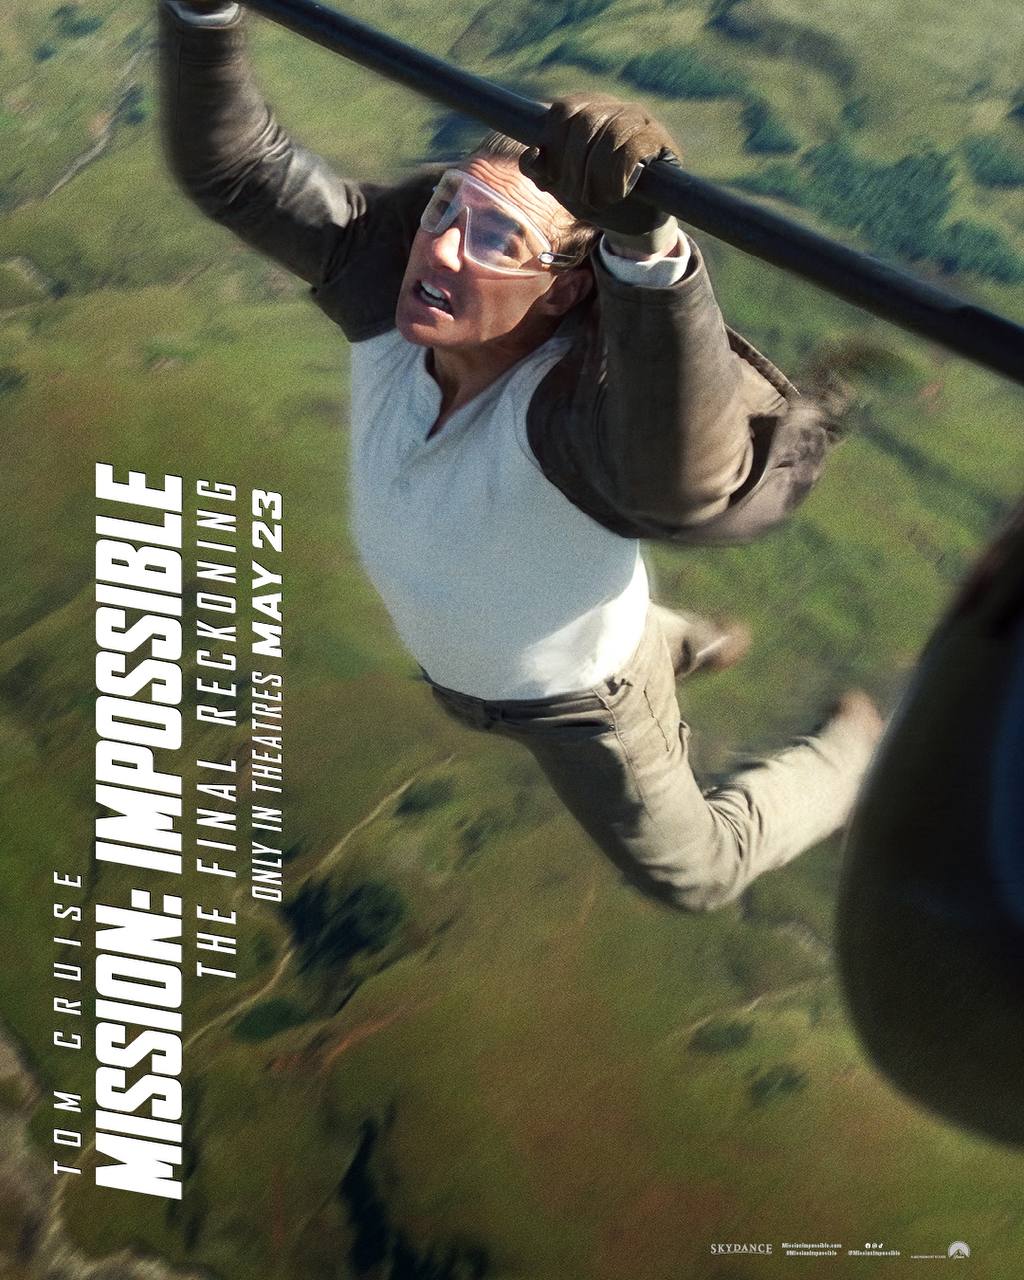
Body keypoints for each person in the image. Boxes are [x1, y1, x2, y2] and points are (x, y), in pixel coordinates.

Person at [158, 0, 883, 912]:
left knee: (697, 873)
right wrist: (202, 14)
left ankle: (855, 756)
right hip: (496, 655)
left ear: (564, 291)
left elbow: (683, 475)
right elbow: (238, 172)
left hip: (583, 706)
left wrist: (647, 251)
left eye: (499, 239)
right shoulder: (384, 299)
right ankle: (681, 641)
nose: (440, 247)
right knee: (613, 623)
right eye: (446, 206)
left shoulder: (566, 420)